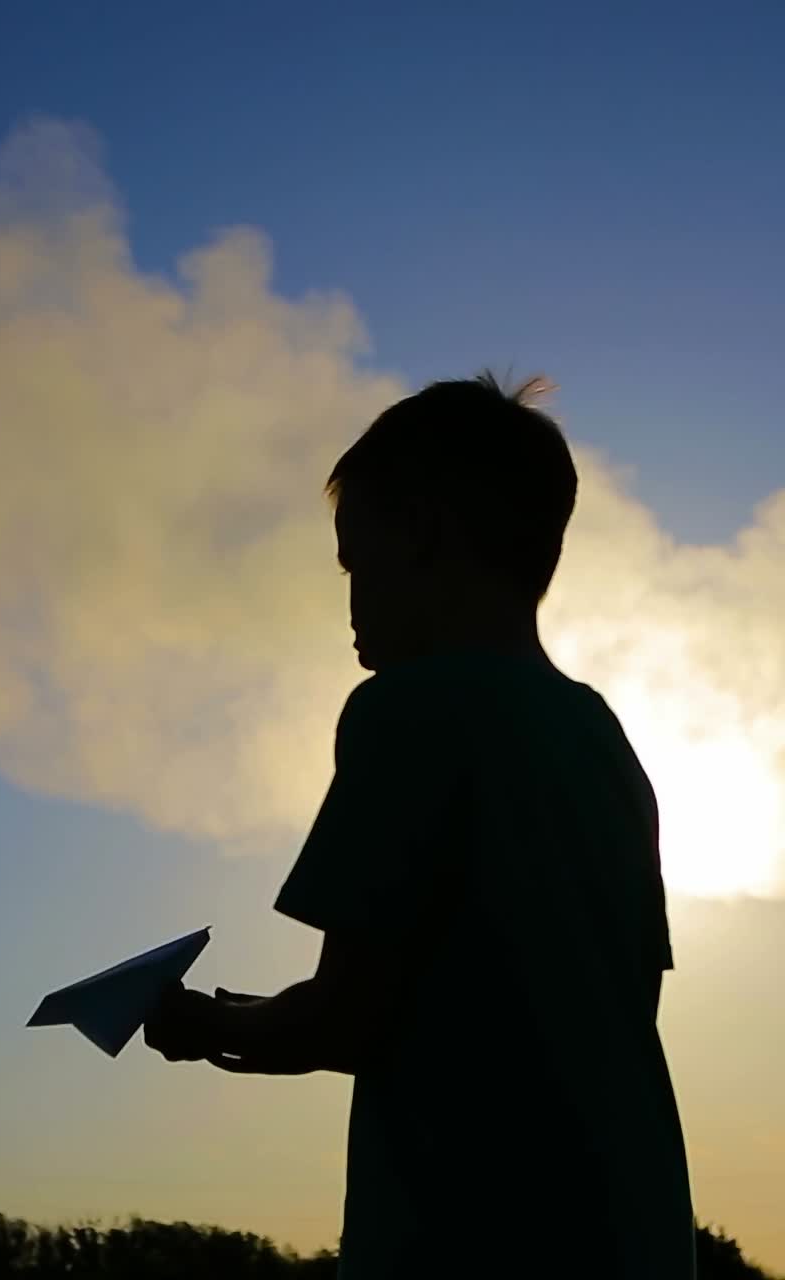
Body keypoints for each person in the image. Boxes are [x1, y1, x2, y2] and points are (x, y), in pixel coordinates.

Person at [143, 373, 695, 1279]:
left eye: (357, 563)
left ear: (427, 536)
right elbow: (576, 1005)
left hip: (468, 1236)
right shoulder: (602, 738)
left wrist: (203, 1028)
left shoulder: (403, 712)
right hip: (634, 1236)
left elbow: (349, 1020)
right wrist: (249, 1013)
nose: (350, 601)